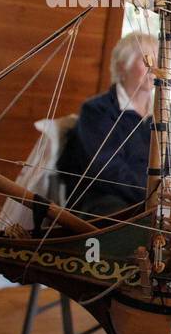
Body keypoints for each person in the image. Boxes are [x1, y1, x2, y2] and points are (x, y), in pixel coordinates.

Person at [58, 32, 158, 219]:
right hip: (103, 201)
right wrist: (151, 193)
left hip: (148, 200)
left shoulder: (160, 117)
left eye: (158, 59)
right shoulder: (97, 111)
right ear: (122, 66)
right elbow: (106, 170)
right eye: (146, 59)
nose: (155, 67)